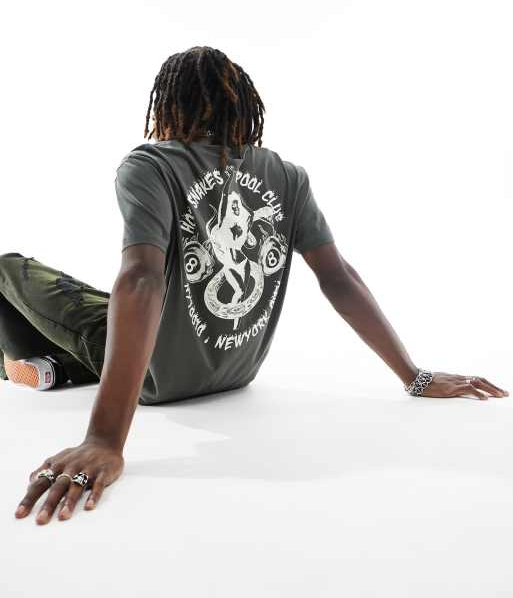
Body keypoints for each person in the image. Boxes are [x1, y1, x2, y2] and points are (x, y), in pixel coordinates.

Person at [5, 45, 508, 527]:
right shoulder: (287, 176)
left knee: (8, 267)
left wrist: (104, 439)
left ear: (167, 104)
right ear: (243, 107)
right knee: (105, 305)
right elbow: (339, 278)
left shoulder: (150, 165)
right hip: (235, 372)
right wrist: (413, 376)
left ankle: (15, 365)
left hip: (157, 381)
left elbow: (141, 278)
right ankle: (56, 368)